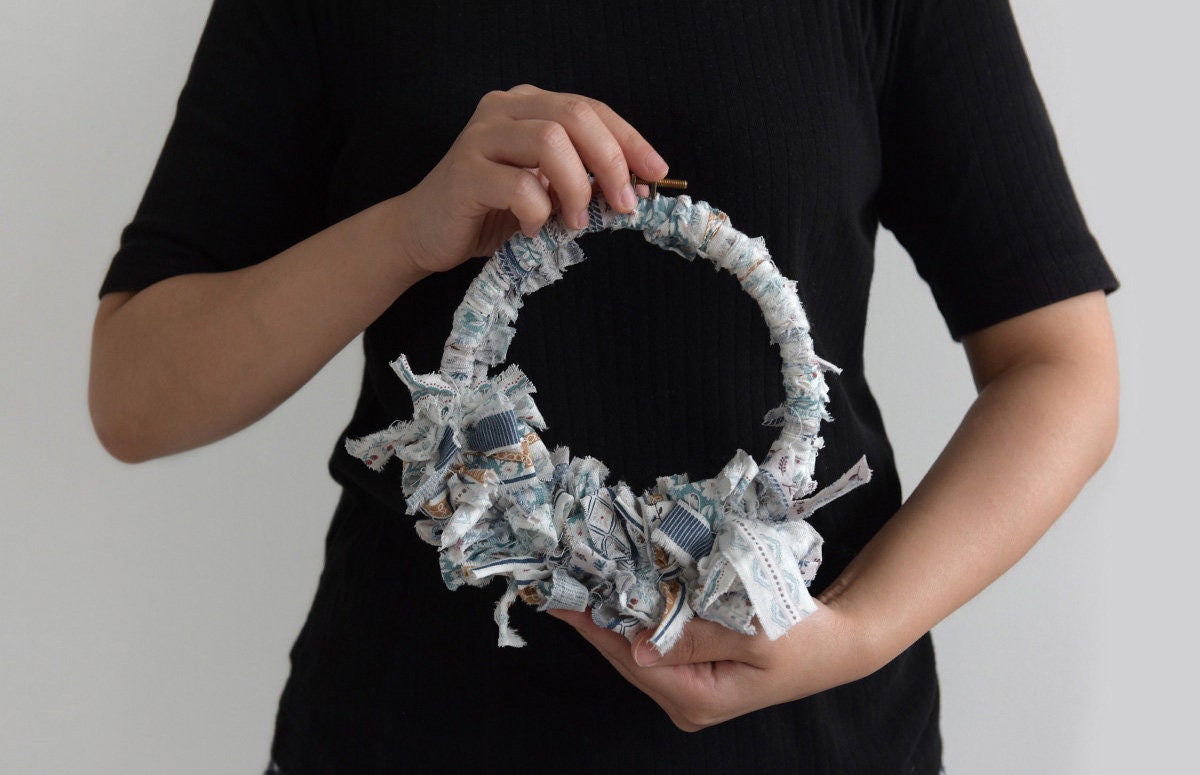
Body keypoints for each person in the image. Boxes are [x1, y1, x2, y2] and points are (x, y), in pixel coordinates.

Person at [89, 0, 1119, 772]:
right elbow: (134, 393)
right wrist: (406, 231)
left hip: (816, 736)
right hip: (416, 724)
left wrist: (855, 631)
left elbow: (1058, 365)